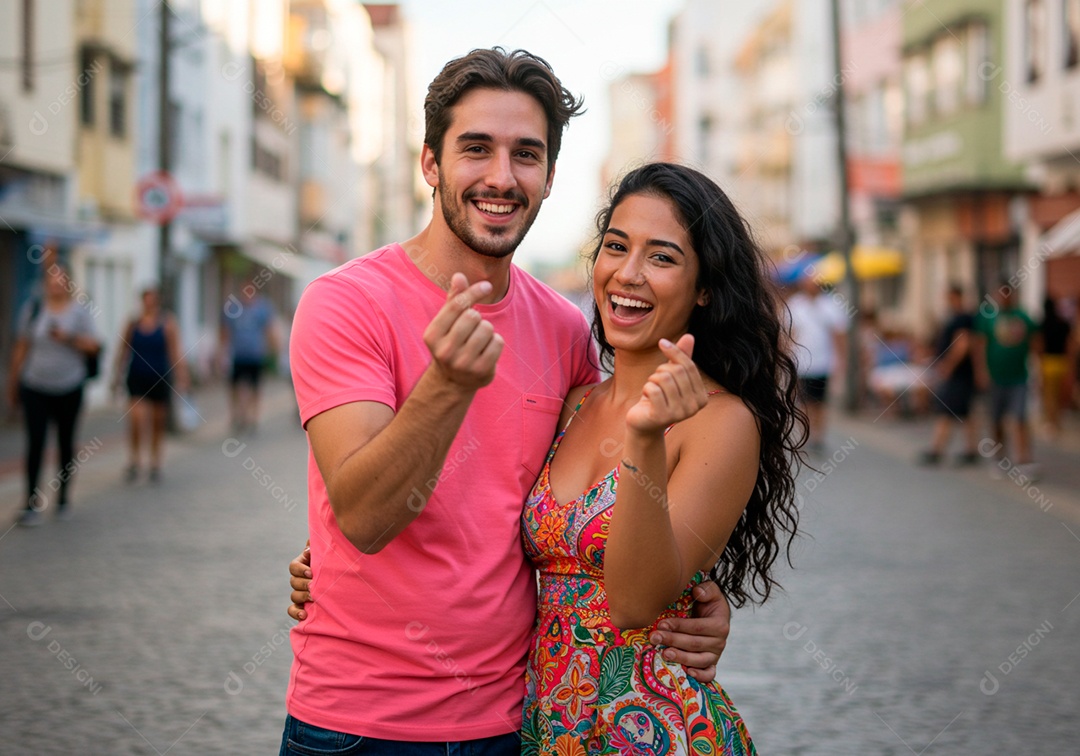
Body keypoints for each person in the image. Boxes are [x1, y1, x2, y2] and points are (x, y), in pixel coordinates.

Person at [277, 49, 731, 756]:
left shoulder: (565, 331)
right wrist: (447, 386)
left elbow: (593, 505)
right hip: (359, 723)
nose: (501, 177)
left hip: (515, 721)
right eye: (475, 149)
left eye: (526, 154)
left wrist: (695, 595)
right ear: (430, 163)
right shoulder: (345, 304)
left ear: (549, 177)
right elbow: (364, 518)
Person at [6, 257, 100, 525]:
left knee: (65, 443)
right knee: (35, 442)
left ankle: (63, 498)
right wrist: (13, 382)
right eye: (52, 279)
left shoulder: (80, 312)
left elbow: (94, 345)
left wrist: (68, 338)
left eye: (61, 279)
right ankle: (31, 502)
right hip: (35, 385)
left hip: (69, 386)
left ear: (68, 282)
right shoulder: (34, 308)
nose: (56, 284)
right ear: (46, 283)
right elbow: (21, 346)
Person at [113, 287, 189, 483]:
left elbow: (175, 350)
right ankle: (134, 459)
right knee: (136, 420)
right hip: (137, 377)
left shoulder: (167, 323)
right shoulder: (133, 323)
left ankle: (155, 461)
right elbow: (123, 349)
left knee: (157, 422)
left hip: (160, 378)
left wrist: (182, 375)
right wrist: (116, 375)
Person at [973, 283, 1038, 479]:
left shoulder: (1023, 317)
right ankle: (999, 458)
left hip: (1019, 377)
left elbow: (1035, 343)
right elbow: (980, 345)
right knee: (996, 419)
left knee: (1019, 418)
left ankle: (1024, 459)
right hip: (995, 378)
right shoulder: (988, 317)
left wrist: (1037, 370)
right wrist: (981, 371)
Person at [918, 285, 979, 465]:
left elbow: (963, 344)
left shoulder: (962, 319)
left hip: (959, 374)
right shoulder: (956, 318)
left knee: (945, 410)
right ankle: (971, 449)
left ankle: (937, 449)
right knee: (965, 412)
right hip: (960, 374)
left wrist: (948, 366)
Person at [786, 273, 848, 451]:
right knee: (804, 401)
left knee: (820, 402)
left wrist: (841, 360)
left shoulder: (831, 305)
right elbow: (789, 334)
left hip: (823, 363)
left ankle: (819, 435)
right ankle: (806, 433)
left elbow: (839, 335)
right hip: (801, 363)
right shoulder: (795, 305)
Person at [220, 286, 277, 433]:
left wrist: (272, 350)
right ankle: (237, 415)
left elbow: (268, 329)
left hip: (255, 355)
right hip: (238, 355)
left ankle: (252, 417)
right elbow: (226, 331)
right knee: (234, 387)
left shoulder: (262, 308)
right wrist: (223, 352)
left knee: (255, 388)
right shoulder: (233, 308)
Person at [1037, 296, 1072, 437]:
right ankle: (1057, 421)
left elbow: (1039, 345)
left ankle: (1050, 422)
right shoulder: (1063, 323)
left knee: (1049, 396)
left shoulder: (1043, 324)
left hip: (1048, 362)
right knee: (1059, 395)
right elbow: (1069, 344)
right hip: (1062, 362)